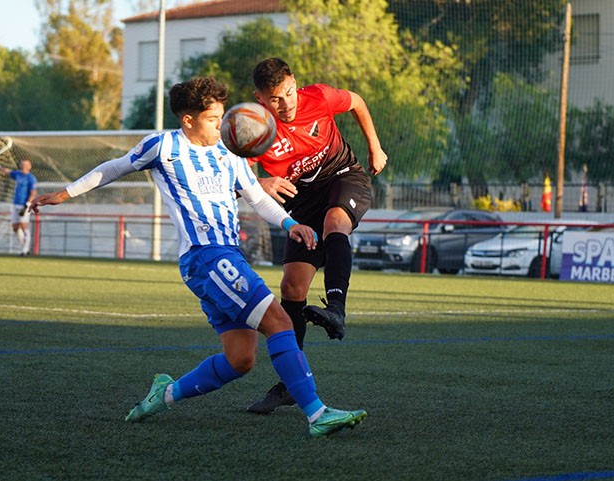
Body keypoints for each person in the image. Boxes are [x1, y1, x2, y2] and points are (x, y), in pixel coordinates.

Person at [28, 77, 367, 437]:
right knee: (280, 321)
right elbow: (114, 167)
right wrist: (65, 193)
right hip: (205, 256)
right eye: (212, 119)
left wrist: (290, 223)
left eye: (222, 117)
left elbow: (255, 195)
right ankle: (317, 414)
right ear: (188, 120)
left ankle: (165, 394)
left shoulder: (229, 151)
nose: (221, 125)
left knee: (241, 359)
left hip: (223, 257)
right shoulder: (163, 146)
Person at [246, 58, 388, 414]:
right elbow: (238, 180)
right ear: (260, 99)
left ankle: (336, 309)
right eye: (276, 98)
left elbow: (356, 100)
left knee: (335, 222)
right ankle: (292, 385)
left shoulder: (319, 97)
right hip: (302, 201)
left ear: (296, 82)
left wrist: (374, 146)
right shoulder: (254, 130)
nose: (287, 103)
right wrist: (261, 181)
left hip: (343, 176)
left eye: (290, 92)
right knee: (292, 288)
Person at [0, 159, 37, 256]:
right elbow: (8, 171)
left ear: (29, 166)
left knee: (24, 226)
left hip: (24, 205)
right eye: (22, 164)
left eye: (26, 165)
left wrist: (27, 204)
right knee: (15, 227)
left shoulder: (31, 178)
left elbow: (33, 192)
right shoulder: (18, 174)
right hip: (15, 204)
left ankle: (25, 249)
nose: (23, 166)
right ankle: (24, 247)